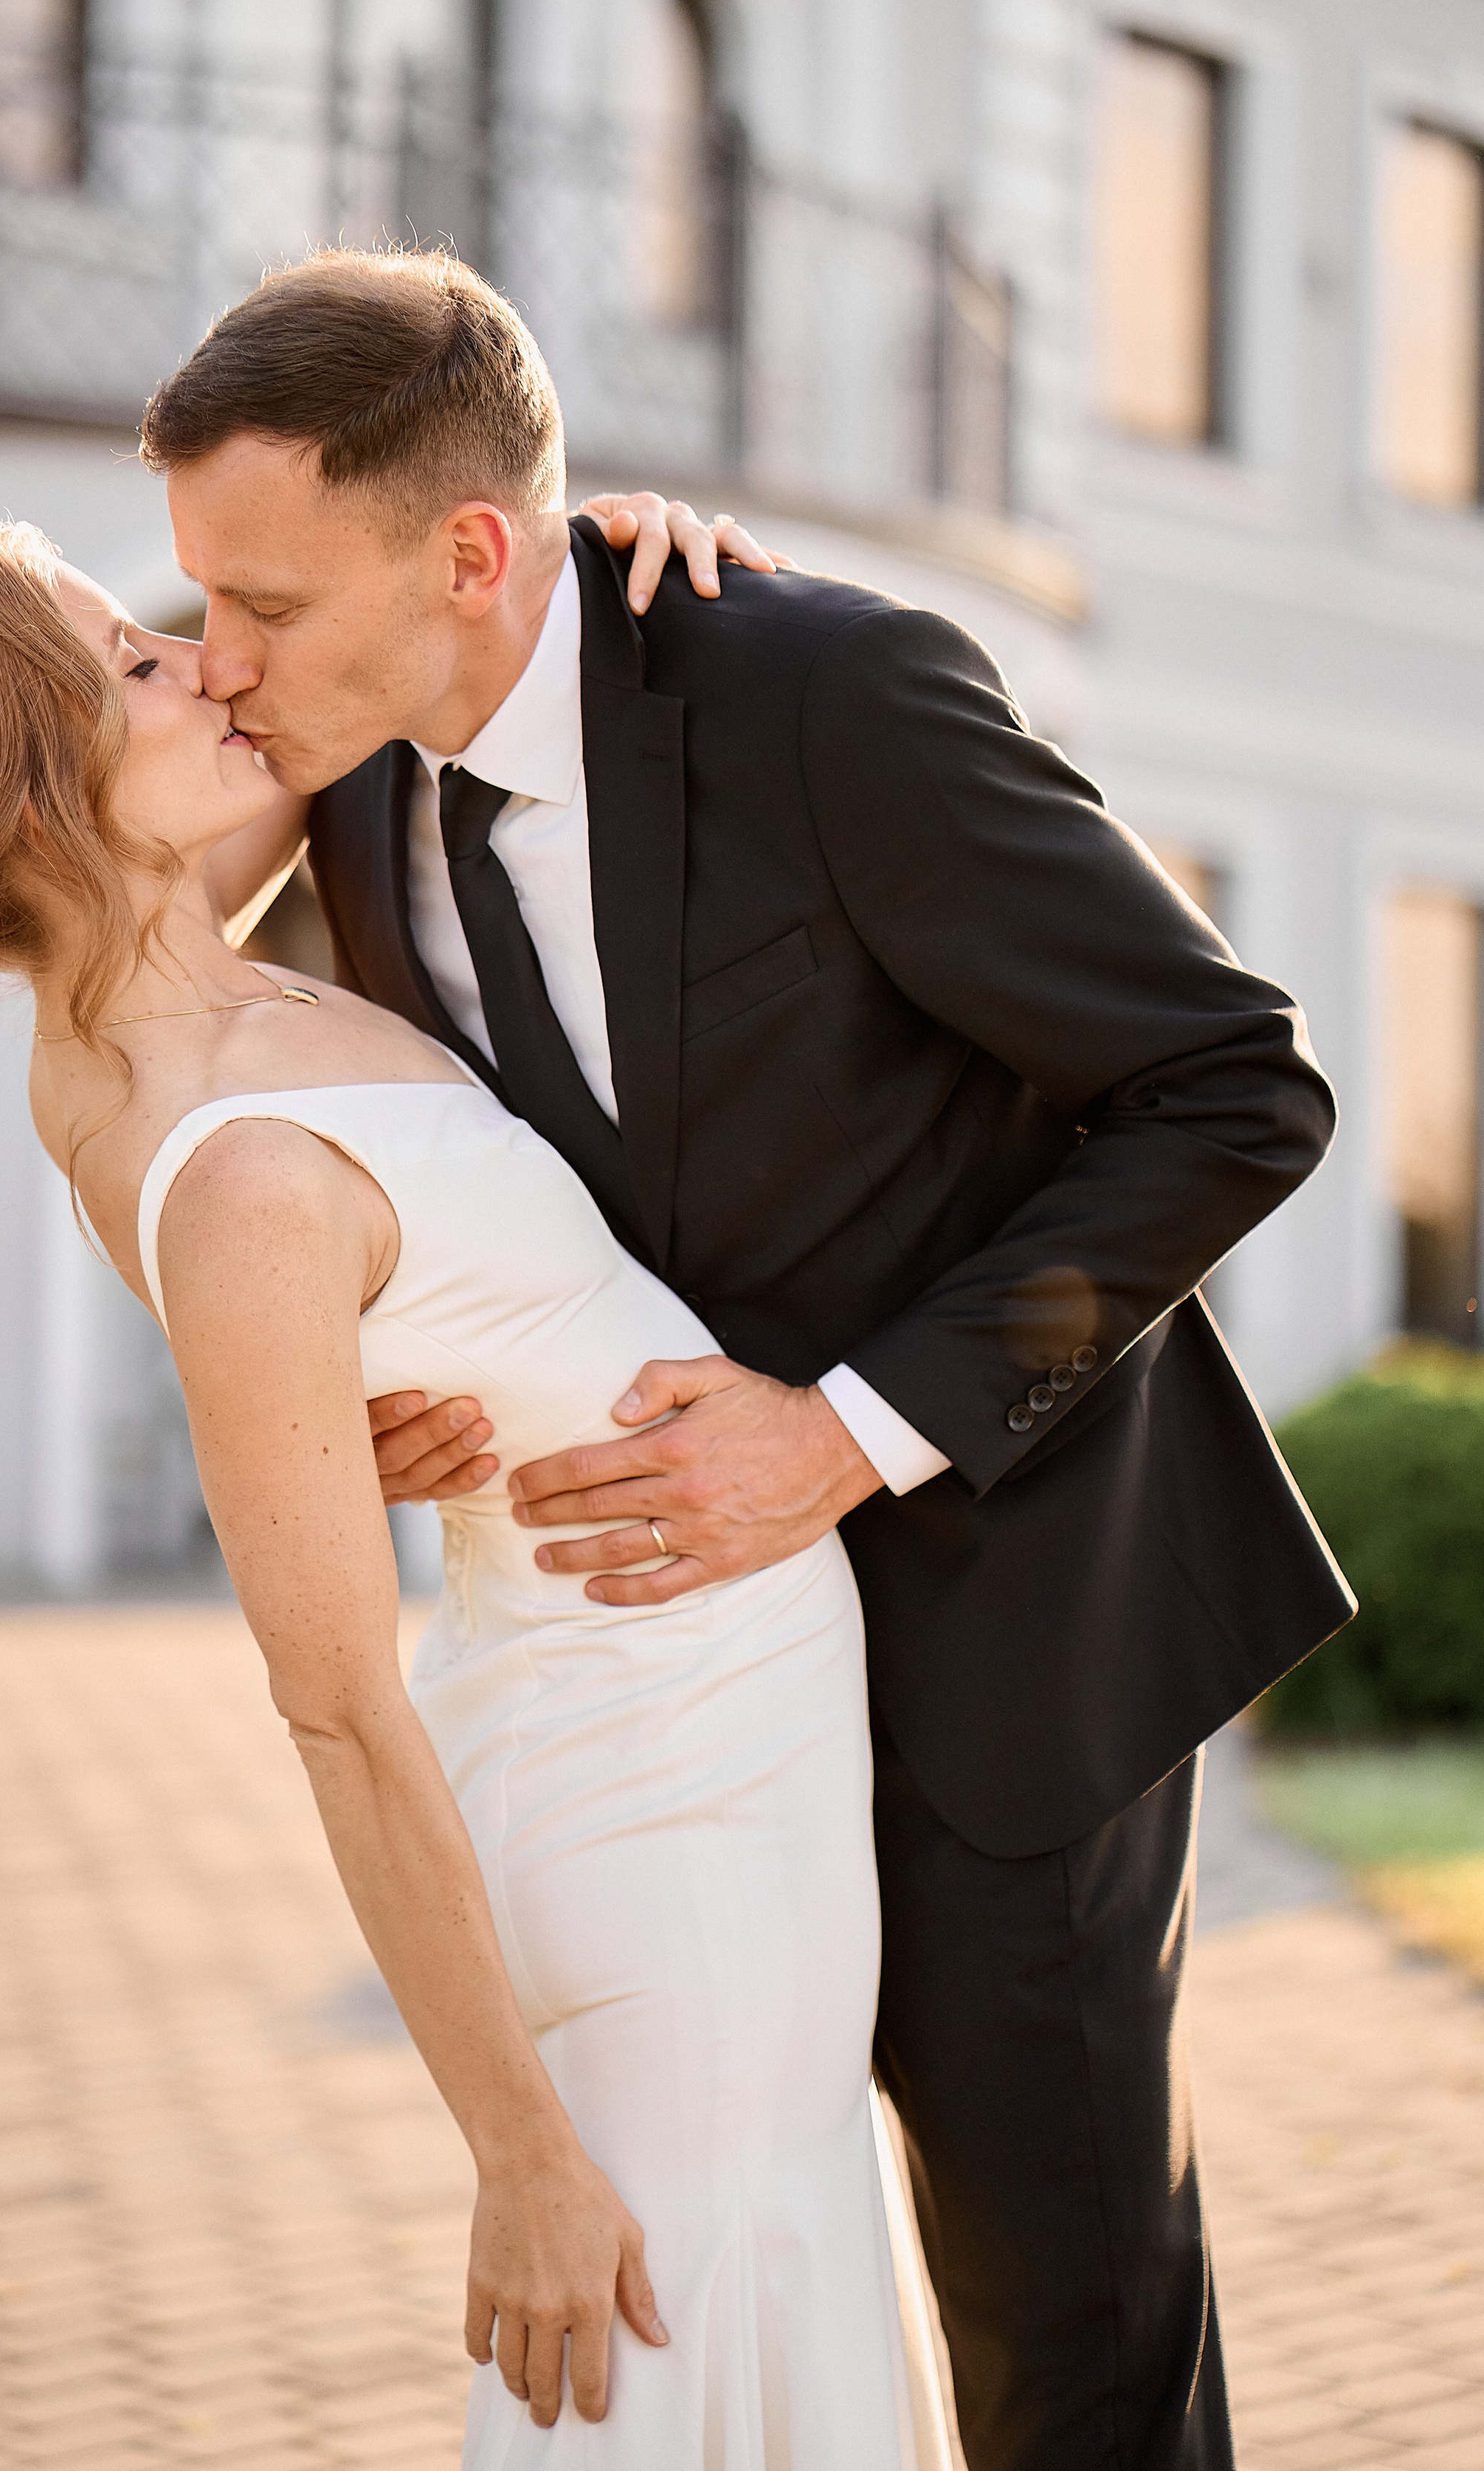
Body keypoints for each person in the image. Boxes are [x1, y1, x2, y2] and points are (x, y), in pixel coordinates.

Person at [133, 247, 1356, 2471]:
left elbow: (1232, 1089)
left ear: (473, 554)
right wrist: (442, 1397)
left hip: (1010, 1622)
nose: (219, 659)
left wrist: (851, 1436)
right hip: (671, 1717)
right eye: (204, 598)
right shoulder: (340, 784)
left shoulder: (826, 689)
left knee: (1060, 2333)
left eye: (267, 606)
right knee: (745, 2281)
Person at [0, 514, 953, 2470]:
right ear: (43, 792)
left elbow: (374, 693)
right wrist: (514, 2156)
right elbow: (334, 1704)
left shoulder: (155, 972)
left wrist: (580, 535)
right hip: (658, 1803)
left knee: (766, 2293)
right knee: (671, 2333)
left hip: (717, 1747)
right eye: (135, 666)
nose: (206, 667)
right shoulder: (233, 1178)